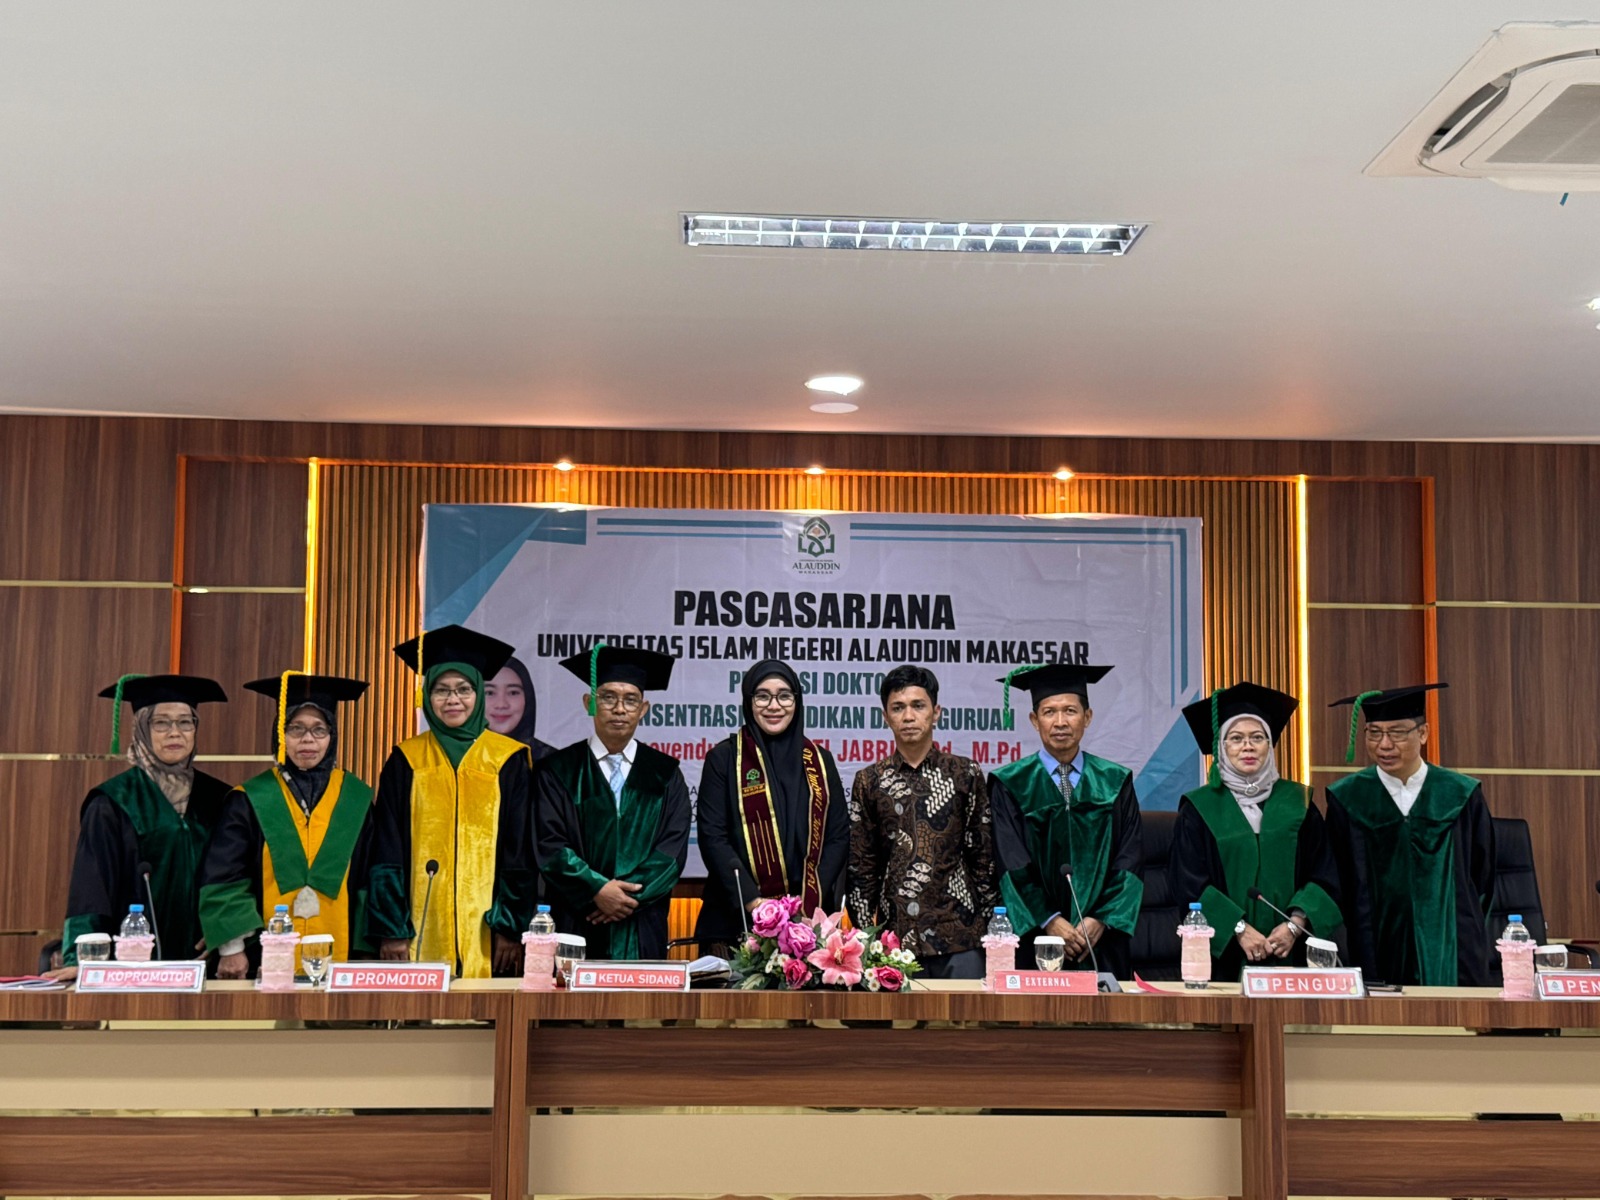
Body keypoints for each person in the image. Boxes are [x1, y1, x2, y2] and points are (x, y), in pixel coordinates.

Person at [365, 624, 537, 977]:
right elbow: (387, 849)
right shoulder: (406, 759)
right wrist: (392, 927)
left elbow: (519, 851)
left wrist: (509, 926)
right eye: (441, 690)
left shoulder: (508, 759)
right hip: (417, 926)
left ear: (478, 695)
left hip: (488, 932)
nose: (453, 699)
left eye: (463, 689)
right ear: (426, 696)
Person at [199, 673, 373, 979]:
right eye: (296, 728)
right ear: (280, 735)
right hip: (260, 959)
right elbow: (225, 874)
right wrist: (232, 948)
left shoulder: (356, 799)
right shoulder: (249, 799)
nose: (308, 739)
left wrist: (368, 947)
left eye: (319, 729)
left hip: (342, 959)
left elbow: (369, 880)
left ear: (332, 736)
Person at [1324, 683, 1496, 987]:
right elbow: (1340, 879)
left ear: (1423, 733)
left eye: (1398, 733)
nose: (1384, 745)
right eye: (1374, 733)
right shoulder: (1347, 799)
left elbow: (1482, 873)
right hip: (1374, 944)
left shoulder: (1460, 794)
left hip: (1455, 945)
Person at [57, 674, 230, 972]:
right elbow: (91, 888)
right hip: (132, 965)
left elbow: (235, 878)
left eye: (185, 722)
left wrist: (228, 936)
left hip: (206, 964)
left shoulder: (221, 798)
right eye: (161, 723)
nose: (175, 733)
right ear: (141, 728)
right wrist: (82, 959)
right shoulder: (112, 802)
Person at [1168, 682, 1342, 980]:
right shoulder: (1198, 808)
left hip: (1293, 951)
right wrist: (1238, 928)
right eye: (1236, 738)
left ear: (1270, 745)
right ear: (1221, 747)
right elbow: (1188, 883)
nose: (1247, 746)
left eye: (1257, 737)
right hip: (1224, 956)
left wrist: (1294, 925)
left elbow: (1324, 874)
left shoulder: (1299, 803)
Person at [533, 645, 691, 959]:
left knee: (642, 993)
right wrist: (596, 890)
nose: (619, 709)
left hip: (642, 925)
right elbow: (550, 845)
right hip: (577, 921)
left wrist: (623, 898)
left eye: (630, 700)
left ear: (643, 709)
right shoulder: (557, 771)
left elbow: (671, 853)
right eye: (607, 697)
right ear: (589, 703)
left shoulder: (665, 774)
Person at [989, 663, 1143, 977]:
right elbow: (1010, 861)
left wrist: (1101, 918)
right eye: (1049, 712)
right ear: (1035, 720)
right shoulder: (1010, 784)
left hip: (1101, 939)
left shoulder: (1115, 782)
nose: (1060, 722)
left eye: (1070, 711)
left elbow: (1130, 857)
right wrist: (1050, 920)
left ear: (1087, 717)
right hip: (1036, 938)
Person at [846, 665, 999, 979]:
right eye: (898, 708)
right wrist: (865, 939)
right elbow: (862, 869)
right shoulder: (870, 781)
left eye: (918, 706)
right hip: (893, 940)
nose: (908, 716)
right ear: (886, 716)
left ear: (936, 712)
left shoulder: (965, 773)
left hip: (960, 935)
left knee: (967, 1013)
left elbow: (983, 860)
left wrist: (992, 934)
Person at [694, 659, 849, 952]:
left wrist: (809, 903)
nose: (774, 705)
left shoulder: (820, 761)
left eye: (784, 696)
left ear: (797, 701)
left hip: (809, 925)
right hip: (736, 920)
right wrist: (755, 903)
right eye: (762, 696)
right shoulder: (724, 759)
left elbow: (838, 835)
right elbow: (713, 837)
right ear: (748, 701)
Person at [486, 654, 557, 762]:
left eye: (513, 692)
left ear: (528, 697)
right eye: (489, 693)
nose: (501, 704)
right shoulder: (462, 756)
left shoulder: (552, 761)